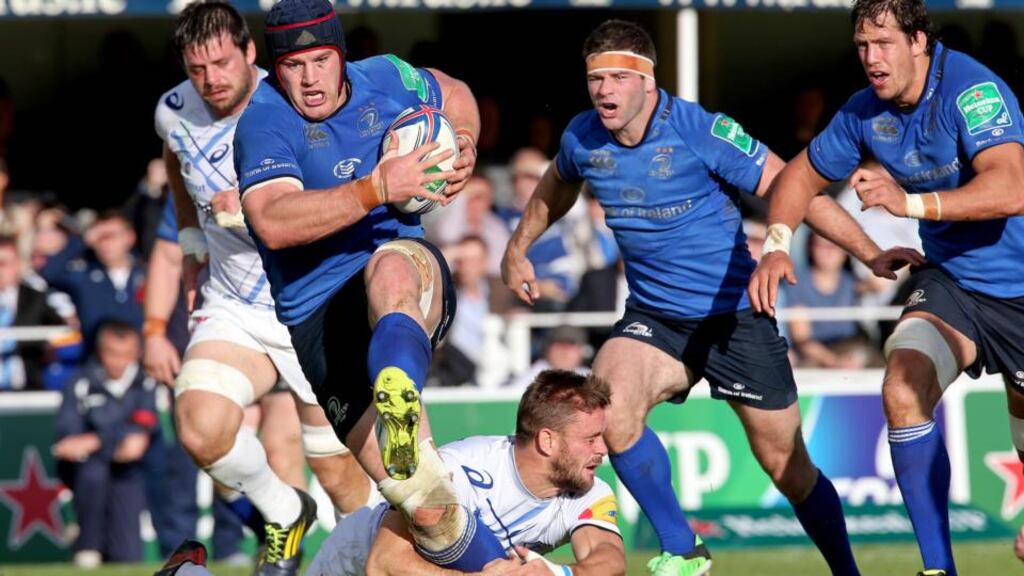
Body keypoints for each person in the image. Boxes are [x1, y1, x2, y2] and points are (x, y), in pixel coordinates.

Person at [502, 19, 922, 576]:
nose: (604, 89)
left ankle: (847, 572)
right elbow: (557, 184)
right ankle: (683, 548)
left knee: (787, 468)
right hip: (655, 318)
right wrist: (518, 247)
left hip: (735, 319)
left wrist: (868, 252)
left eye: (617, 78)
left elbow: (791, 186)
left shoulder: (701, 130)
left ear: (648, 82)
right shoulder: (582, 136)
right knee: (609, 407)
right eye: (595, 78)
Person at [747, 1, 1024, 574]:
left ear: (921, 41)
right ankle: (937, 568)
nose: (871, 59)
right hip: (957, 285)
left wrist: (910, 203)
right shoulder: (863, 112)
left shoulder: (973, 92)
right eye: (862, 47)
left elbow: (1012, 186)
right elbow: (797, 176)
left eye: (885, 44)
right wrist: (776, 244)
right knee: (902, 385)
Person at [234, 0, 507, 570]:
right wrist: (376, 187)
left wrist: (464, 140)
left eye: (320, 60)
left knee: (387, 271)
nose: (309, 79)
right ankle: (498, 568)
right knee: (427, 507)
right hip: (318, 320)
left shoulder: (387, 77)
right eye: (293, 66)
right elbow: (273, 221)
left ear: (341, 56)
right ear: (274, 69)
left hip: (402, 271)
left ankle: (396, 386)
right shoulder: (263, 122)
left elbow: (454, 91)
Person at [153, 3, 372, 573]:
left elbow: (336, 192)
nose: (212, 80)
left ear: (250, 51)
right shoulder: (174, 111)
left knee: (343, 481)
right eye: (198, 68)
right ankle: (283, 512)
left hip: (312, 302)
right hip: (235, 305)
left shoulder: (293, 103)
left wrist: (256, 207)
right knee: (199, 425)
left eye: (223, 62)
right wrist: (192, 243)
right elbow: (176, 166)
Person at [155, 370, 626, 576]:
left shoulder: (587, 489)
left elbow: (608, 559)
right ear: (547, 441)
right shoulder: (461, 470)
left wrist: (556, 573)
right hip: (360, 561)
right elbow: (384, 565)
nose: (603, 450)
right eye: (591, 440)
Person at [54, 321, 157, 567]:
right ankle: (87, 546)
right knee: (93, 474)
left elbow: (138, 439)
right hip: (88, 472)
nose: (118, 361)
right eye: (112, 353)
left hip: (131, 474)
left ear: (137, 354)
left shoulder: (145, 383)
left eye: (126, 354)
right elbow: (68, 441)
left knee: (128, 556)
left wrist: (97, 439)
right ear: (100, 352)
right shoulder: (80, 382)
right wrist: (112, 441)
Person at [39, 210, 144, 351]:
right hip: (94, 362)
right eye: (99, 237)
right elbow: (49, 273)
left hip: (144, 361)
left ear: (130, 237)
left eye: (111, 236)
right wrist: (83, 239)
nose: (106, 243)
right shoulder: (84, 275)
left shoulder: (147, 273)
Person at [0, 234, 66, 391]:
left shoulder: (36, 298)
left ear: (18, 264)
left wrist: (50, 348)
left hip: (28, 385)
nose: (0, 269)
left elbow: (62, 332)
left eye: (5, 263)